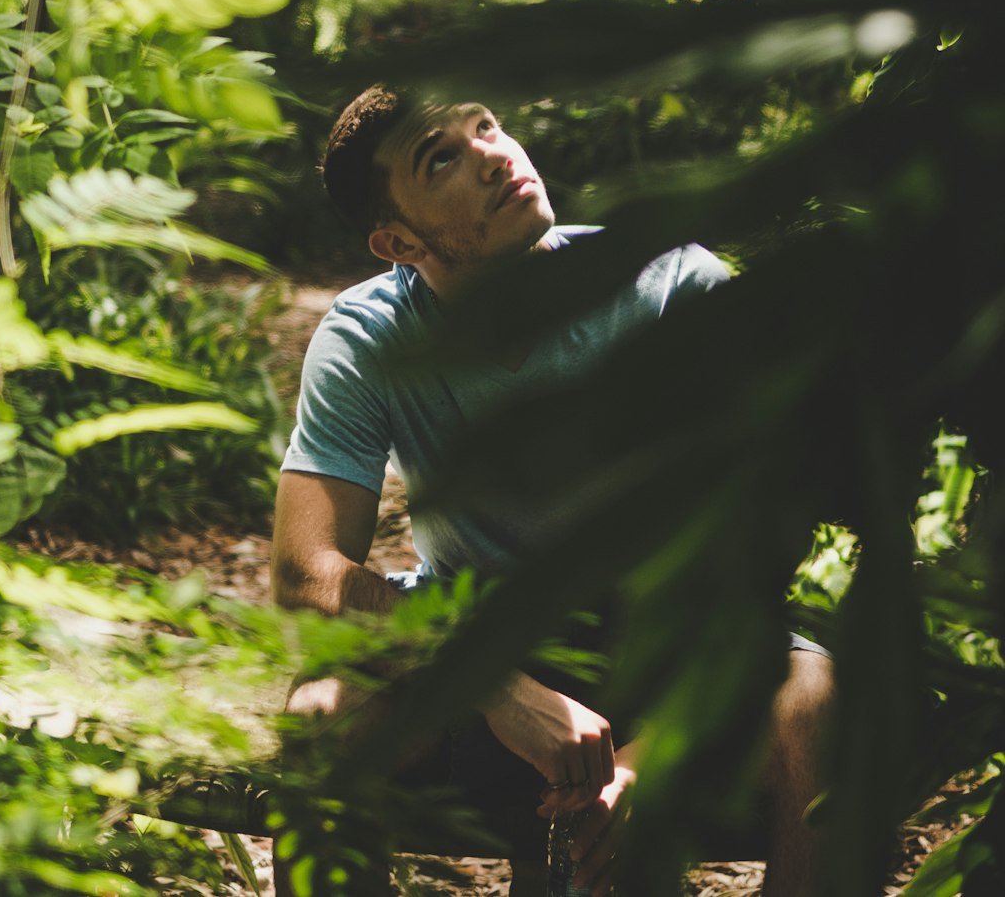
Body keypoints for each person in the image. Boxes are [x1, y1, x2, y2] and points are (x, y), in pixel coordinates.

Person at [271, 84, 833, 897]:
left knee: (812, 700)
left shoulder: (671, 283)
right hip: (481, 645)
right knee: (321, 721)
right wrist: (493, 684)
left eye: (487, 128)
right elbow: (304, 573)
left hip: (673, 652)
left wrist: (647, 759)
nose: (496, 156)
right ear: (396, 240)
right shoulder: (369, 337)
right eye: (444, 160)